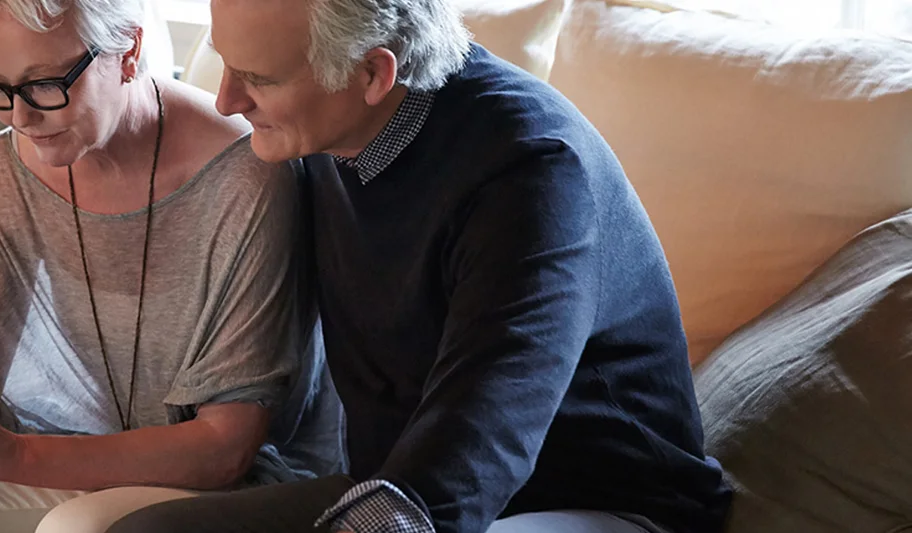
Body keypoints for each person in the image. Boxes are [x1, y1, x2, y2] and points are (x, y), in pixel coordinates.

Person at [106, 0, 735, 532]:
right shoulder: (327, 129)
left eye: (258, 78)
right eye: (225, 63)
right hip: (400, 481)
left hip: (597, 502)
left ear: (374, 73)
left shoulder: (532, 172)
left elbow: (482, 435)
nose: (226, 99)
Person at [0, 0, 346, 530]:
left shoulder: (247, 175)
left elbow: (225, 448)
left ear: (128, 51)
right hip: (84, 459)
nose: (20, 116)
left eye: (45, 84)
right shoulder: (4, 170)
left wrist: (16, 456)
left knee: (78, 527)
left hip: (229, 484)